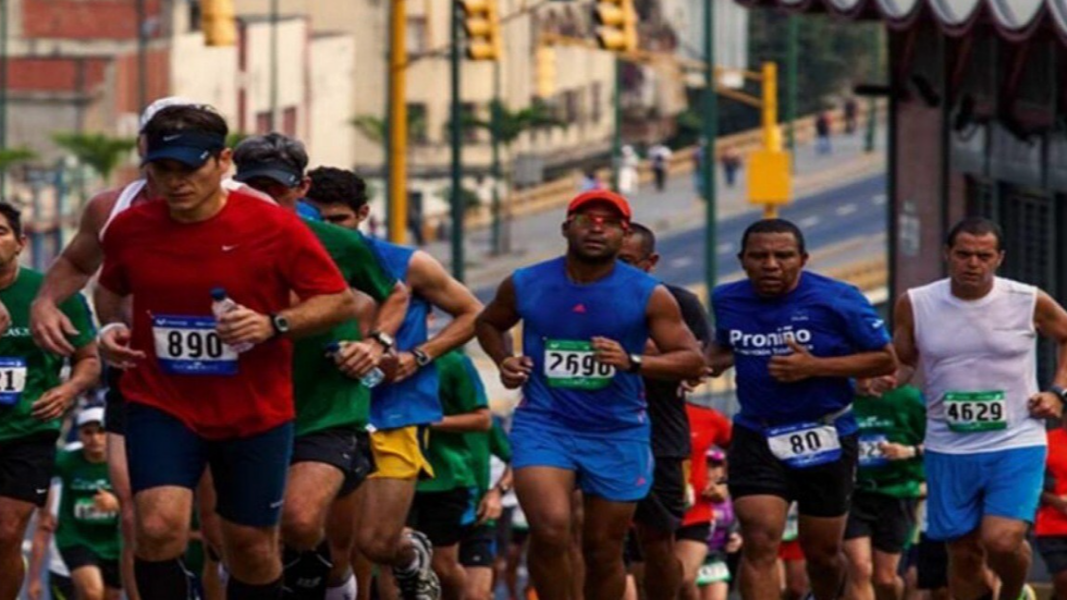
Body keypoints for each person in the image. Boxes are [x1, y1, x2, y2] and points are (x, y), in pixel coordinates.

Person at [94, 103, 357, 599]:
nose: (175, 183)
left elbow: (337, 299)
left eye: (188, 168)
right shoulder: (131, 228)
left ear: (224, 161)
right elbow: (109, 289)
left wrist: (272, 324)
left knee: (251, 546)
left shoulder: (273, 227)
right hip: (162, 401)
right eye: (162, 170)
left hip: (254, 411)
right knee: (155, 526)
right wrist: (111, 329)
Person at [29, 96, 270, 599]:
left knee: (225, 527)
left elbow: (306, 290)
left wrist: (268, 324)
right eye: (159, 149)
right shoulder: (112, 208)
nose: (173, 171)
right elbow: (78, 265)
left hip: (230, 384)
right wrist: (48, 304)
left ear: (216, 159)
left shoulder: (253, 208)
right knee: (145, 519)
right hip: (143, 378)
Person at [475, 190, 705, 600]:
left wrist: (633, 362)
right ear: (567, 228)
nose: (596, 229)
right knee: (549, 530)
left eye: (609, 222)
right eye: (585, 219)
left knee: (602, 549)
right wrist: (505, 360)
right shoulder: (528, 282)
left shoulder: (648, 293)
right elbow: (489, 323)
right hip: (545, 424)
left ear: (624, 233)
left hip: (617, 431)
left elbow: (692, 359)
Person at [231, 133, 411, 600]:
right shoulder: (217, 240)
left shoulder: (337, 242)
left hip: (326, 407)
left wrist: (376, 344)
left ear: (301, 188)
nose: (267, 199)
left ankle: (338, 586)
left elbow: (396, 293)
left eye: (278, 188)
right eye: (255, 187)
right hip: (242, 408)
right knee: (238, 543)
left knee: (302, 521)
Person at [304, 166, 484, 600]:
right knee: (320, 537)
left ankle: (409, 555)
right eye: (317, 219)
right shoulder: (291, 259)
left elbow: (474, 313)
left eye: (338, 221)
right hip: (322, 413)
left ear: (363, 214)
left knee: (375, 542)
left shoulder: (407, 263)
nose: (328, 231)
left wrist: (418, 356)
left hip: (393, 413)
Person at [707, 218, 896, 600]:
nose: (771, 264)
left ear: (803, 258)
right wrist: (701, 364)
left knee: (823, 554)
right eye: (759, 256)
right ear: (743, 260)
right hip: (757, 432)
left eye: (783, 255)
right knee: (759, 542)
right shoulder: (727, 299)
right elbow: (726, 347)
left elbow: (884, 359)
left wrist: (815, 367)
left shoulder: (838, 299)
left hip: (825, 433)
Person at [893, 216, 1067, 600]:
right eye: (964, 254)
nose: (973, 263)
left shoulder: (1026, 299)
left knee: (1002, 540)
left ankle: (1012, 593)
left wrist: (1057, 391)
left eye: (983, 255)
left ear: (999, 258)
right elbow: (905, 360)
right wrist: (887, 379)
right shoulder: (917, 303)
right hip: (947, 445)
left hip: (1016, 438)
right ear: (947, 255)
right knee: (963, 551)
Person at [0, 200, 99, 599]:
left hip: (28, 429)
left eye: (0, 232)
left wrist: (68, 390)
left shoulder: (50, 294)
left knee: (6, 532)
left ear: (21, 242)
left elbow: (88, 358)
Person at [617, 222, 712, 600]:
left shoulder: (677, 302)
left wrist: (631, 357)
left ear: (649, 262)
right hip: (588, 433)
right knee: (591, 540)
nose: (614, 268)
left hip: (660, 438)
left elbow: (697, 362)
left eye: (626, 261)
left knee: (656, 544)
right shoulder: (578, 300)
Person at [406, 349, 492, 600]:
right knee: (388, 555)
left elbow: (483, 420)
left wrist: (428, 422)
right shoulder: (373, 354)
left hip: (445, 480)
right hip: (394, 474)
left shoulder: (452, 362)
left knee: (442, 565)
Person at [843, 377, 925, 600]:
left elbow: (938, 440)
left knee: (885, 579)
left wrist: (908, 451)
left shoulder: (907, 398)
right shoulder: (840, 397)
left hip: (896, 492)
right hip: (853, 494)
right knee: (859, 568)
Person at [53, 407, 123, 600]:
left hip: (115, 543)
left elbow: (143, 499)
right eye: (88, 432)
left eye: (101, 431)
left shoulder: (123, 463)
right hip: (76, 537)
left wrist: (118, 503)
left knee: (111, 596)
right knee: (92, 593)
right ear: (79, 434)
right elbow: (35, 471)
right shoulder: (67, 460)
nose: (95, 438)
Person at [677, 404, 733, 600]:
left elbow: (741, 447)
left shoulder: (708, 417)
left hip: (696, 515)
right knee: (652, 586)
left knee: (682, 580)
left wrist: (724, 483)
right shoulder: (633, 410)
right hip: (647, 514)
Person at [461, 417, 513, 600]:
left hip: (478, 516)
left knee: (476, 594)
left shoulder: (484, 420)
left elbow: (514, 459)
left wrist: (497, 492)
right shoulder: (420, 417)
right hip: (430, 516)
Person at [1038, 425, 1067, 599]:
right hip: (1052, 527)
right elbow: (1028, 483)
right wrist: (1056, 502)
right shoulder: (1044, 442)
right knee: (1064, 580)